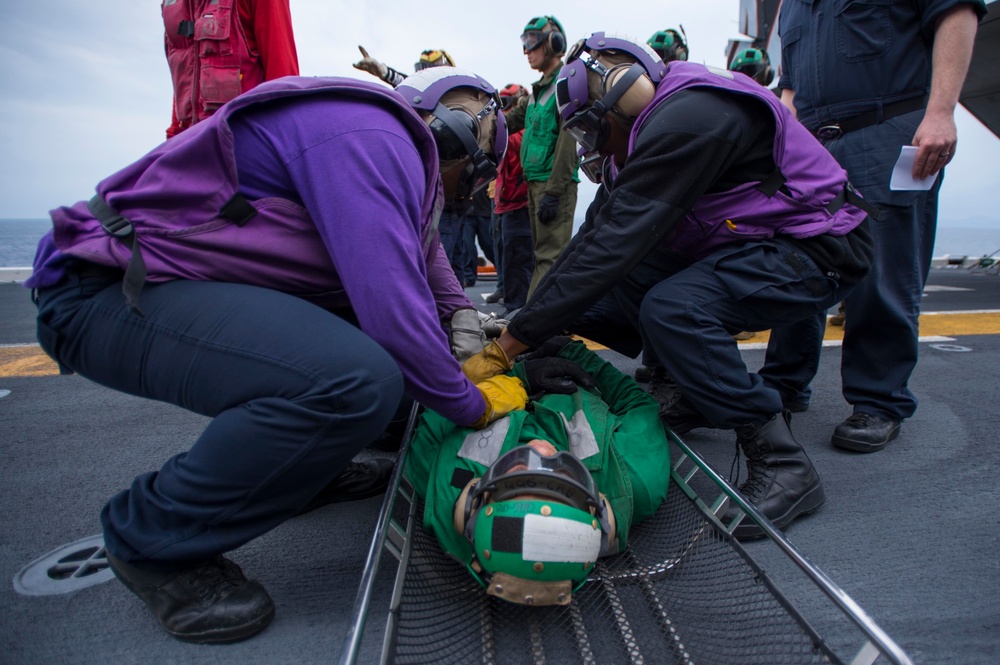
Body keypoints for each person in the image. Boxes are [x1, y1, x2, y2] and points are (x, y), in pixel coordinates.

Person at [23, 67, 592, 644]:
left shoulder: (382, 142)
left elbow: (426, 262)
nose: (465, 186)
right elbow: (394, 310)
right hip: (102, 291)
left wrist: (471, 331)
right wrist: (471, 403)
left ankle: (303, 470)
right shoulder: (372, 137)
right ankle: (151, 538)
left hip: (166, 288)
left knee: (390, 376)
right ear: (454, 129)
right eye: (471, 168)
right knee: (356, 379)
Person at [461, 33, 878, 540]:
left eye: (595, 130)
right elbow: (589, 245)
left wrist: (509, 345)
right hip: (751, 245)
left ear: (625, 92)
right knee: (607, 291)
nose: (595, 147)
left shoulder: (694, 115)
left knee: (672, 309)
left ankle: (785, 462)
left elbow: (613, 245)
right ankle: (689, 389)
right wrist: (524, 328)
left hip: (821, 247)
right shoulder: (633, 146)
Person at [759, 0, 985, 452]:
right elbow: (789, 90)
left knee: (884, 272)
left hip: (884, 129)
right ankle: (784, 384)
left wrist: (941, 111)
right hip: (813, 146)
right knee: (796, 266)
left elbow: (956, 14)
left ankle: (878, 401)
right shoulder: (793, 8)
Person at [408, 339, 671, 605]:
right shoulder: (635, 480)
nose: (541, 451)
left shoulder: (436, 473)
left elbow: (443, 400)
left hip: (489, 370)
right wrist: (573, 354)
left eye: (517, 476)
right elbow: (635, 403)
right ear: (600, 509)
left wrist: (517, 375)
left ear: (474, 497)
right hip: (568, 371)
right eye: (564, 480)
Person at [504, 16, 580, 296]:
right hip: (536, 183)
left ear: (554, 43)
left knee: (550, 259)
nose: (527, 50)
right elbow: (510, 121)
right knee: (543, 256)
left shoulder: (565, 85)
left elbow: (568, 143)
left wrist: (555, 191)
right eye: (524, 42)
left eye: (533, 41)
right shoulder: (537, 91)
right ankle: (535, 323)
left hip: (552, 184)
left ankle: (534, 327)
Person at [162, 0, 299, 139]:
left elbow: (283, 83)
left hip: (246, 144)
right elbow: (185, 78)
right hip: (190, 147)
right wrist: (172, 143)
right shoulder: (174, 5)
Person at [492, 83, 534, 315]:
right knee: (509, 259)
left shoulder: (521, 133)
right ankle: (512, 306)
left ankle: (516, 309)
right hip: (506, 205)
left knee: (518, 260)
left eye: (507, 104)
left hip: (519, 205)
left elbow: (512, 145)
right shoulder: (511, 132)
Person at [352, 46, 456, 88]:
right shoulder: (419, 92)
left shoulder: (464, 91)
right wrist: (384, 72)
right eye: (425, 70)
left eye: (434, 69)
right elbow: (407, 82)